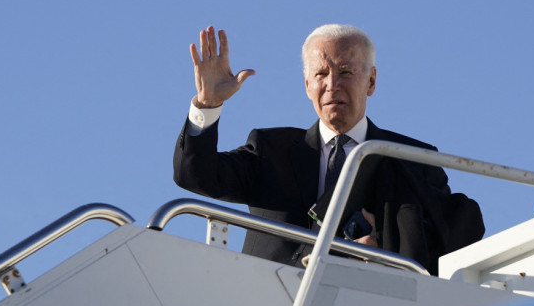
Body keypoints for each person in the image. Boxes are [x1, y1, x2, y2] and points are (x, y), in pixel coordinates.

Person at [173, 24, 484, 274]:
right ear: (307, 84)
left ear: (371, 81)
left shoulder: (412, 158)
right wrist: (208, 105)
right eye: (321, 73)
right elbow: (195, 175)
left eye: (346, 71)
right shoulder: (272, 149)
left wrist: (385, 248)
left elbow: (449, 238)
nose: (332, 84)